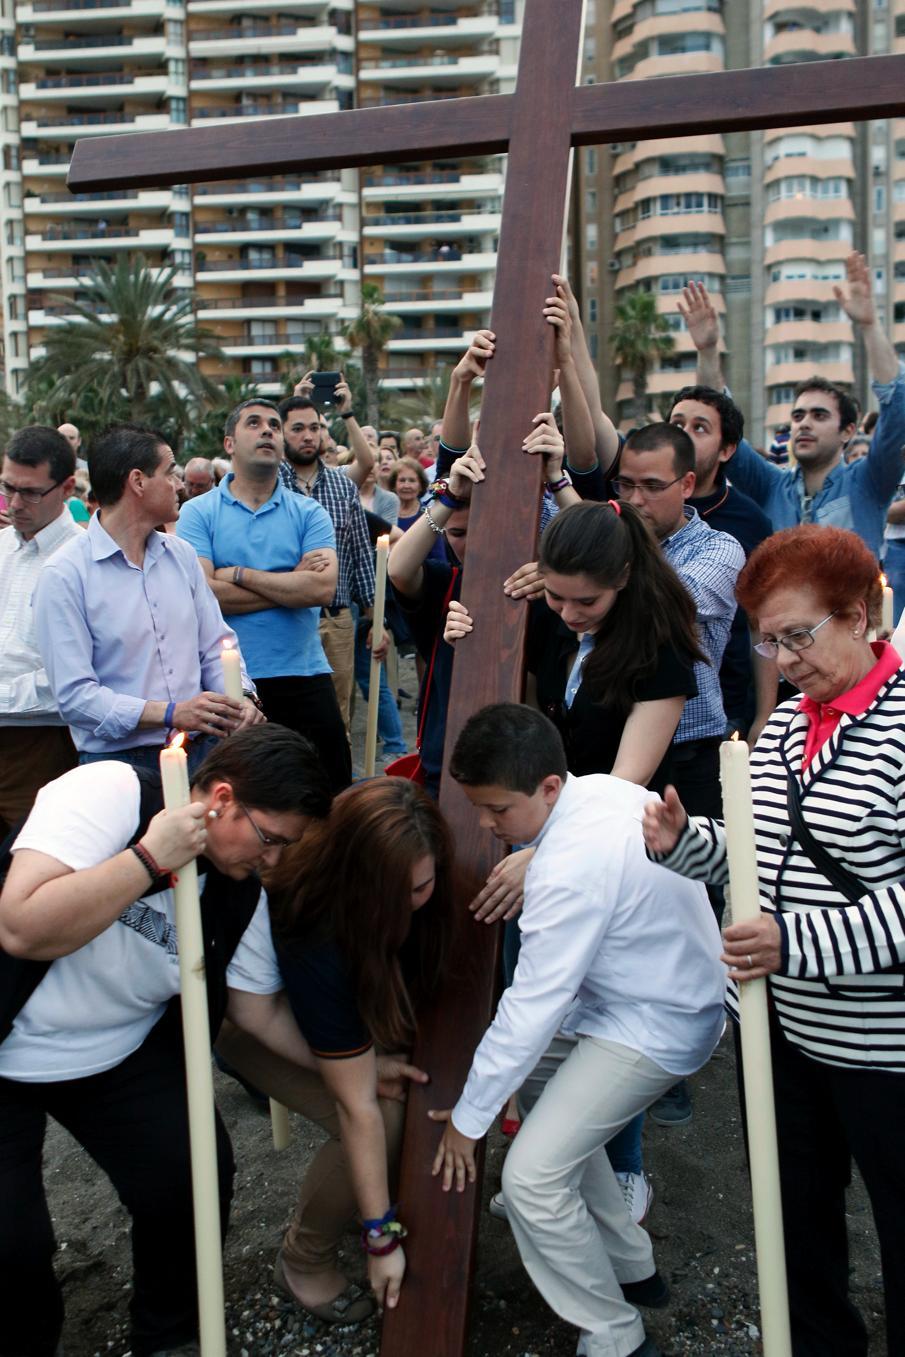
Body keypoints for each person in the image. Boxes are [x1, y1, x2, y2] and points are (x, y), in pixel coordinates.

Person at [643, 524, 905, 1357]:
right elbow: (752, 858)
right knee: (796, 1226)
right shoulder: (787, 726)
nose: (782, 657)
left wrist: (798, 942)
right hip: (779, 1029)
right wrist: (686, 840)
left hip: (884, 1041)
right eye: (767, 638)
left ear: (858, 615)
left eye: (799, 634)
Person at [0, 725, 332, 1357]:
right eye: (272, 841)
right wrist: (149, 859)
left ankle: (169, 1333)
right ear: (224, 800)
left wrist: (346, 1069)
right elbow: (20, 927)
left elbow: (257, 1014)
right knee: (11, 1246)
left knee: (192, 1176)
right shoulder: (112, 792)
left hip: (118, 1053)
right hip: (7, 1039)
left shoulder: (240, 888)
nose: (275, 863)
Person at [431, 703, 724, 1357]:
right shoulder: (601, 789)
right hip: (636, 990)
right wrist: (487, 1090)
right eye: (477, 807)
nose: (484, 824)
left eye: (497, 810)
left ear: (549, 787)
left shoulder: (565, 868)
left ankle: (614, 1330)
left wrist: (467, 1118)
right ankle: (629, 1260)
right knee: (532, 1080)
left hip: (660, 1018)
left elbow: (531, 1003)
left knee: (530, 1178)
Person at [215, 777, 452, 1321]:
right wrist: (381, 1238)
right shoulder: (313, 926)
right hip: (268, 1025)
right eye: (393, 895)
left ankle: (365, 1194)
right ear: (355, 877)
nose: (410, 907)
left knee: (411, 1083)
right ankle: (304, 1257)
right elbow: (357, 1106)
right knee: (384, 1119)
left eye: (421, 887)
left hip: (350, 1007)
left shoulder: (410, 875)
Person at [34, 424, 261, 774]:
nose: (180, 484)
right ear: (138, 482)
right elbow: (75, 697)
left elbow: (217, 644)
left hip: (204, 751)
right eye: (170, 473)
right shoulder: (64, 574)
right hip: (118, 767)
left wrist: (242, 698)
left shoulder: (181, 555)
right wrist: (171, 712)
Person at [177, 399, 352, 794]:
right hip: (231, 683)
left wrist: (238, 574)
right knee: (240, 801)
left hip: (305, 674)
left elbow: (321, 589)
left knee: (328, 795)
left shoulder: (310, 512)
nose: (268, 430)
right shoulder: (197, 512)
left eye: (274, 424)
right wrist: (291, 587)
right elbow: (203, 595)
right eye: (254, 423)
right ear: (228, 443)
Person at [681, 256, 905, 556]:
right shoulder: (771, 484)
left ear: (847, 431)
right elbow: (715, 419)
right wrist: (707, 351)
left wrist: (869, 325)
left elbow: (897, 410)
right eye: (798, 415)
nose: (804, 423)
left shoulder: (869, 480)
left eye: (819, 415)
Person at [668, 383, 777, 743]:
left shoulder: (749, 520)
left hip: (723, 705)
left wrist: (764, 715)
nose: (683, 436)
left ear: (727, 449)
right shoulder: (641, 503)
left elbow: (762, 624)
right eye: (677, 423)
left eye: (699, 428)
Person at [277, 394, 380, 738]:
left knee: (338, 718)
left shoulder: (342, 484)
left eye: (315, 427)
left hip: (336, 618)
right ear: (280, 433)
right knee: (286, 717)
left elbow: (361, 552)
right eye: (297, 429)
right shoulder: (268, 484)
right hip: (284, 618)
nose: (308, 436)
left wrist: (376, 618)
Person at [0, 427, 81, 834]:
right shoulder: (1, 548)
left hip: (42, 743)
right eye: (7, 487)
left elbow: (72, 681)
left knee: (29, 871)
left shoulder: (84, 559)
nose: (14, 504)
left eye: (30, 492)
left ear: (67, 487)